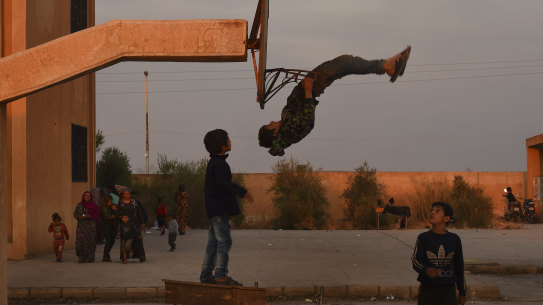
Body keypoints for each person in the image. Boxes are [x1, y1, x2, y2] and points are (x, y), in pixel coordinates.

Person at [258, 46, 411, 156]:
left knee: (346, 66)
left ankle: (390, 66)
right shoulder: (288, 129)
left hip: (310, 88)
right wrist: (307, 92)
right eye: (270, 124)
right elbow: (308, 119)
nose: (272, 121)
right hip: (311, 87)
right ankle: (387, 66)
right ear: (273, 131)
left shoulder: (287, 133)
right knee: (345, 62)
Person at [199, 129, 254, 286]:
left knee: (214, 243)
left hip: (215, 210)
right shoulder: (220, 165)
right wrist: (243, 192)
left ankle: (206, 275)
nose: (230, 141)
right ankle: (221, 275)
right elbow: (225, 185)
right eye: (228, 139)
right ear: (222, 145)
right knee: (224, 241)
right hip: (220, 211)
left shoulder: (214, 163)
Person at [412, 202, 466, 305]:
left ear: (446, 218)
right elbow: (415, 261)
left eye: (437, 211)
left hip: (448, 291)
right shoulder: (423, 238)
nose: (432, 212)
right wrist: (426, 269)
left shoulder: (454, 239)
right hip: (427, 289)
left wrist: (462, 292)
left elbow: (460, 267)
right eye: (431, 210)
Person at [117, 190, 147, 262]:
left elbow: (139, 212)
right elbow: (118, 213)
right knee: (125, 239)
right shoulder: (121, 203)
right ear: (123, 195)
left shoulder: (134, 202)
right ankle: (124, 256)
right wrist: (119, 223)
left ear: (130, 194)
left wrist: (142, 222)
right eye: (125, 194)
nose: (126, 195)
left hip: (135, 222)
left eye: (128, 194)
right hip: (124, 223)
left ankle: (141, 256)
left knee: (137, 238)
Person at [73, 191, 100, 263]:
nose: (87, 197)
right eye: (86, 195)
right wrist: (78, 217)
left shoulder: (94, 205)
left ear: (91, 197)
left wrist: (90, 216)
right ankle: (81, 257)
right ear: (83, 196)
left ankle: (90, 258)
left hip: (90, 227)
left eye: (89, 196)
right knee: (80, 241)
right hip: (81, 227)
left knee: (90, 241)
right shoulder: (79, 205)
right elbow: (75, 213)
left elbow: (97, 214)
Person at [100, 194, 118, 262]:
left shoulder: (109, 206)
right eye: (109, 201)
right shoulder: (103, 207)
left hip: (110, 226)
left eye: (111, 201)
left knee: (112, 240)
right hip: (105, 225)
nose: (110, 202)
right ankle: (105, 255)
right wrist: (113, 216)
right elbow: (107, 217)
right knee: (109, 240)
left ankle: (106, 254)